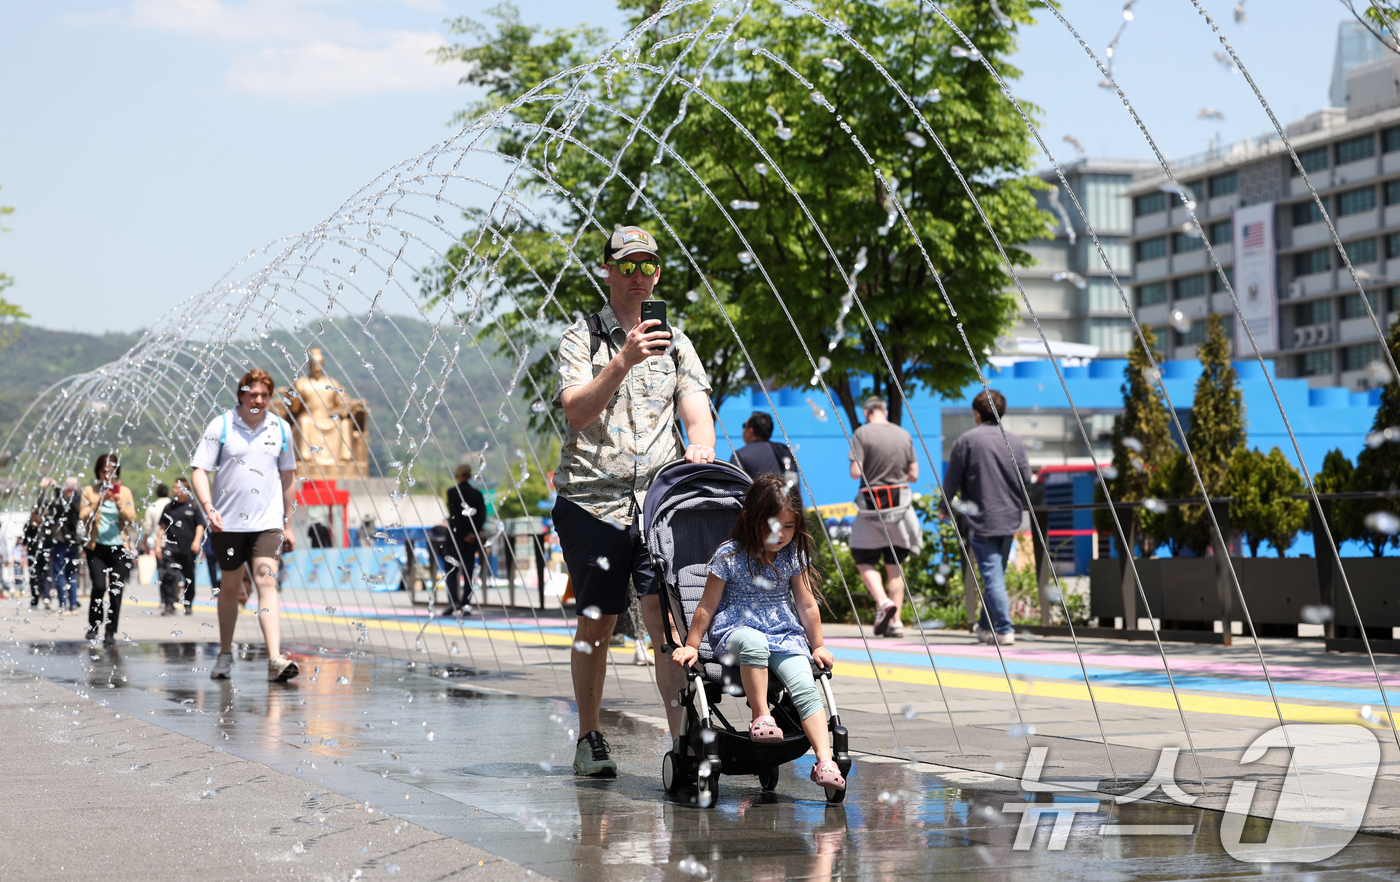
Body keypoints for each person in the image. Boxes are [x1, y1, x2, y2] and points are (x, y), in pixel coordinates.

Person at [552, 224, 716, 777]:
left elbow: (694, 403)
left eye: (648, 266)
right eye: (627, 266)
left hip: (659, 503)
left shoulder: (677, 342)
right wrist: (621, 360)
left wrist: (702, 445)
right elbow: (576, 411)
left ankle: (682, 744)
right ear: (607, 271)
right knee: (597, 621)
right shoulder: (582, 338)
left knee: (667, 623)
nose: (638, 276)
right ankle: (590, 734)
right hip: (591, 501)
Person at [671, 475, 844, 792]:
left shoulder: (792, 556)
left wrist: (817, 646)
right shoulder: (729, 555)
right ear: (750, 519)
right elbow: (707, 607)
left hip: (784, 633)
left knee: (805, 685)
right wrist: (692, 645)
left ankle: (825, 760)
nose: (780, 535)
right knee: (754, 642)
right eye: (771, 526)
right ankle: (762, 716)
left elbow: (806, 606)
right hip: (736, 630)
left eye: (788, 527)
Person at [191, 368, 300, 682]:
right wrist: (208, 507)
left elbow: (288, 477)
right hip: (227, 524)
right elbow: (200, 470)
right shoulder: (222, 426)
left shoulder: (280, 428)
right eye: (253, 394)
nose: (259, 400)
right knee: (230, 586)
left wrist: (288, 524)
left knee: (267, 581)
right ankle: (225, 654)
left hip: (267, 523)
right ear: (241, 394)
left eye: (265, 395)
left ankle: (275, 658)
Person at [940, 389, 1032, 647]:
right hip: (1009, 517)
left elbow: (952, 480)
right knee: (995, 575)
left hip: (982, 520)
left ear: (977, 414)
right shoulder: (1014, 441)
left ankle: (1003, 628)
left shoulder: (967, 441)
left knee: (992, 576)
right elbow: (1026, 479)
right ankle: (984, 626)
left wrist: (943, 507)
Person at [848, 396, 920, 639]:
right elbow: (914, 475)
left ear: (867, 413)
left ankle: (882, 601)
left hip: (871, 506)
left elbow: (855, 471)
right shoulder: (903, 434)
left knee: (861, 554)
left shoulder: (862, 433)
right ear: (885, 411)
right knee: (895, 563)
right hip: (900, 506)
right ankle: (896, 621)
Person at [78, 453, 137, 643]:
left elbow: (132, 518)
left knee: (116, 590)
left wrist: (119, 503)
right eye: (104, 470)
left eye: (111, 470)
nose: (108, 474)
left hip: (119, 547)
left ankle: (111, 630)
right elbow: (83, 515)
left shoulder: (125, 492)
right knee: (99, 586)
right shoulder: (90, 491)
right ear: (99, 472)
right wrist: (100, 500)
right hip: (96, 547)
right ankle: (94, 626)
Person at [443, 461, 487, 616]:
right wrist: (472, 534)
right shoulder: (477, 494)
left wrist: (462, 533)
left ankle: (454, 602)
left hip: (455, 538)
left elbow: (455, 516)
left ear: (457, 475)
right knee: (469, 572)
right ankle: (466, 603)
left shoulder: (451, 492)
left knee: (451, 571)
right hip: (471, 540)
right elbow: (481, 516)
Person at [157, 477, 205, 616]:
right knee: (169, 575)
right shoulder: (169, 507)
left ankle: (188, 603)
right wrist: (159, 545)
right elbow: (162, 527)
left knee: (189, 577)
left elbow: (200, 525)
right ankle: (169, 604)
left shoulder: (194, 506)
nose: (174, 490)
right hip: (171, 549)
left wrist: (197, 541)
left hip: (188, 549)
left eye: (178, 488)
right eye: (174, 488)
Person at [730, 411, 801, 503]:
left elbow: (735, 490)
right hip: (784, 507)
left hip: (757, 510)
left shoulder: (740, 455)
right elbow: (794, 484)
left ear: (750, 431)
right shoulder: (783, 450)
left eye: (744, 426)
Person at [49, 477, 82, 613]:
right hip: (74, 543)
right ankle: (73, 603)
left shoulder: (67, 503)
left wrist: (56, 489)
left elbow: (58, 504)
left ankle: (63, 603)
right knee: (72, 574)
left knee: (60, 573)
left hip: (62, 542)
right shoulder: (79, 502)